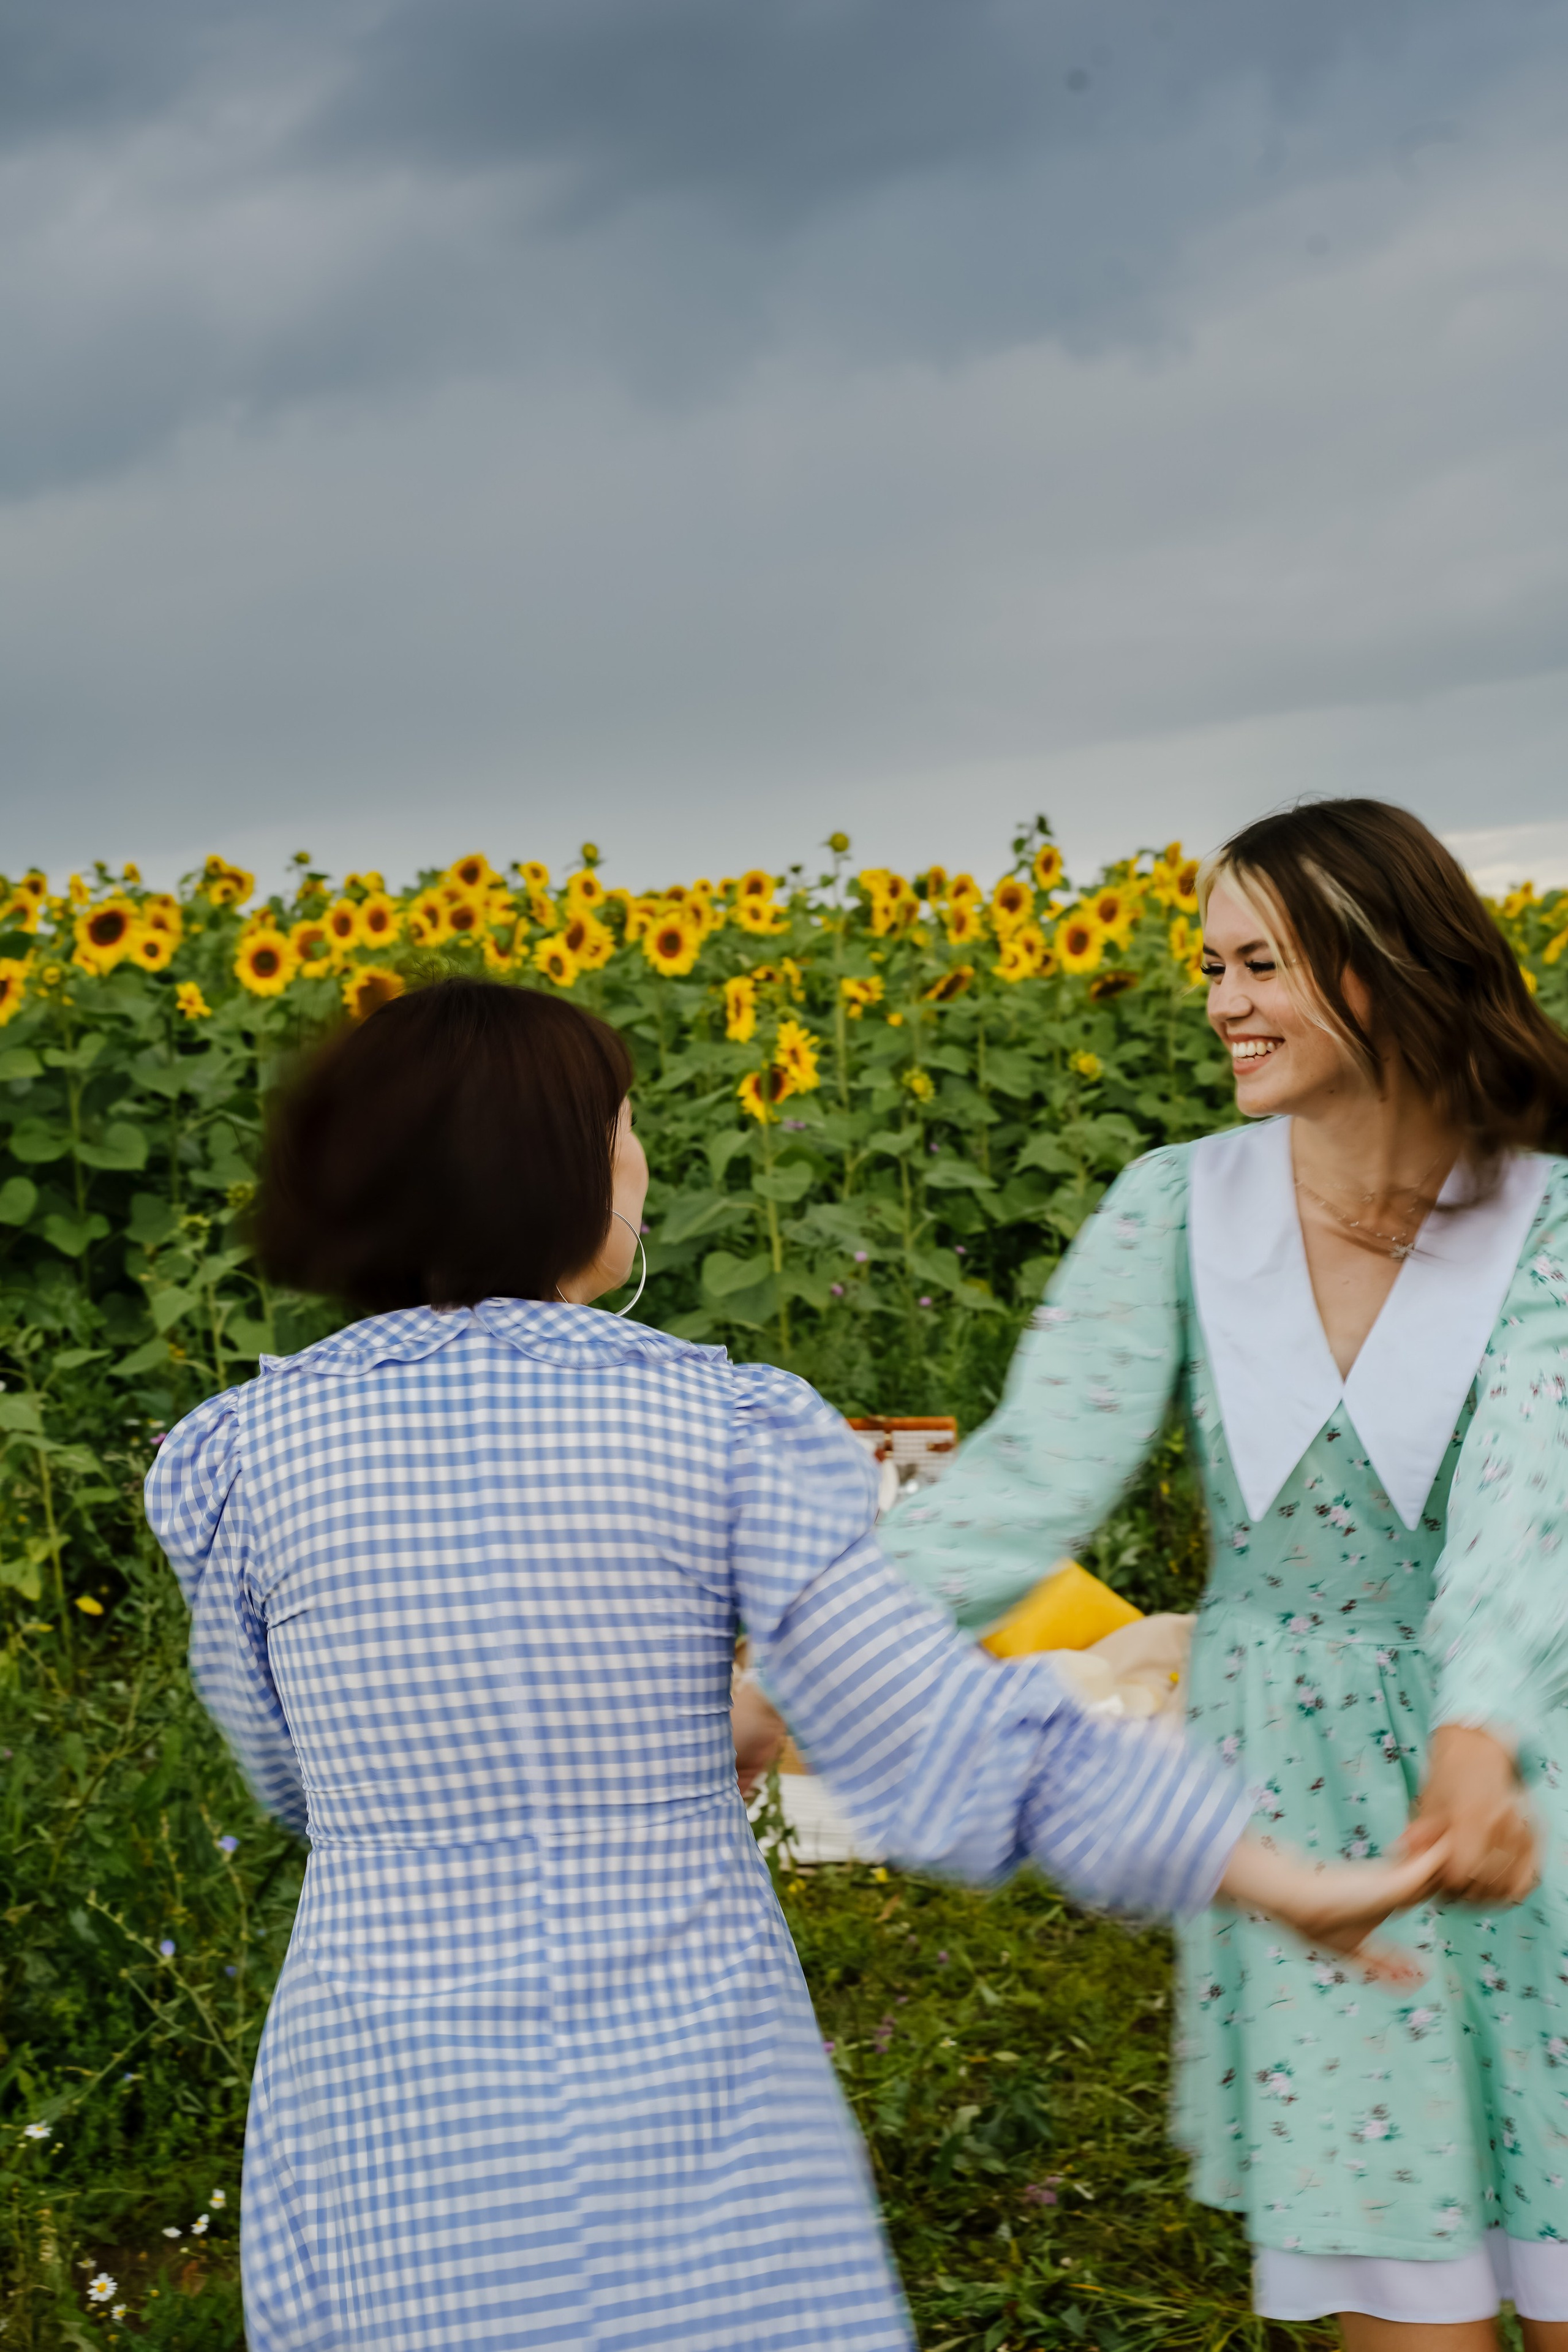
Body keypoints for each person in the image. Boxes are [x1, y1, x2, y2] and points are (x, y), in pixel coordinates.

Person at [146, 976, 1437, 2352]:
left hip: (386, 2112)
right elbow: (935, 1730)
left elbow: (293, 1779)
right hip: (683, 2099)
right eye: (624, 1126)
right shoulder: (725, 1425)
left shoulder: (240, 1459)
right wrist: (1259, 1869)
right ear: (569, 1169)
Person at [878, 798, 1568, 2351]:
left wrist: (1479, 1736)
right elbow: (1022, 1478)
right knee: (1400, 2296)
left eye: (1257, 964)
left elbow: (1532, 1509)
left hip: (1531, 1761)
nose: (1218, 1004)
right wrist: (810, 1652)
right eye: (1210, 964)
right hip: (1295, 1795)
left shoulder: (1548, 1223)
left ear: (1378, 966)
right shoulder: (1172, 1208)